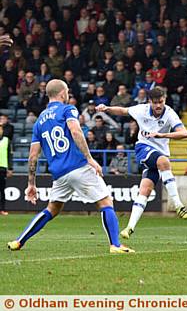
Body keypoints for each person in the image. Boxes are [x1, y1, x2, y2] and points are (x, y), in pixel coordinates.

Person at [7, 80, 133, 253]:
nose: (68, 94)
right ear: (61, 93)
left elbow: (33, 156)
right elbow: (75, 131)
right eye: (67, 91)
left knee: (52, 209)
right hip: (78, 166)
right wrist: (89, 158)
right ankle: (115, 245)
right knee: (105, 202)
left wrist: (31, 183)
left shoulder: (39, 122)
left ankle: (19, 241)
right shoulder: (68, 109)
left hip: (59, 174)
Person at [96, 87, 187, 240]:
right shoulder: (141, 110)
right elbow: (123, 111)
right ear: (149, 102)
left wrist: (162, 134)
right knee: (163, 161)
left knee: (145, 190)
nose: (158, 106)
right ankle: (178, 204)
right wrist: (107, 108)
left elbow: (184, 133)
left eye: (161, 102)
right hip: (144, 148)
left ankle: (129, 227)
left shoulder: (169, 113)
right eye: (155, 103)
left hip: (160, 152)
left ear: (165, 99)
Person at [0, 125, 11, 215]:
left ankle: (2, 209)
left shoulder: (6, 140)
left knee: (2, 190)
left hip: (2, 168)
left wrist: (10, 168)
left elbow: (9, 155)